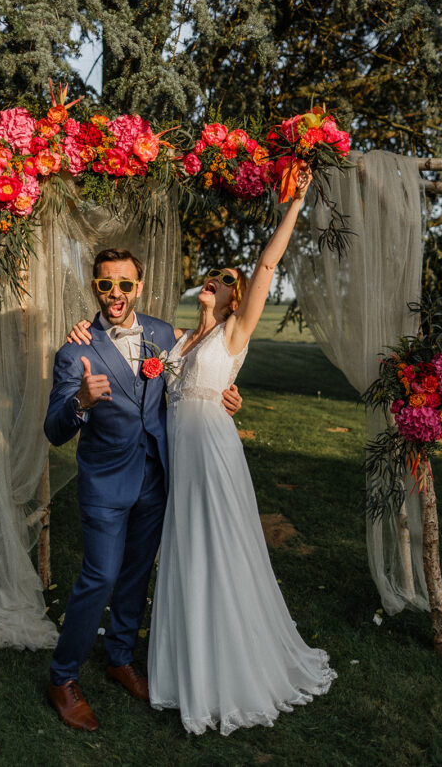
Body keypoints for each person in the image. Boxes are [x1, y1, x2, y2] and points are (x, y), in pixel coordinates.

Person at [68, 171, 337, 735]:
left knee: (222, 549)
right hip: (177, 464)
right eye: (213, 275)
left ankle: (236, 663)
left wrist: (292, 206)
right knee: (186, 555)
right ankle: (186, 662)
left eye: (227, 279)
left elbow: (267, 265)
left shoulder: (235, 331)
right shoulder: (177, 339)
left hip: (212, 454)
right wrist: (81, 334)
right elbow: (152, 378)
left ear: (238, 296)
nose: (216, 279)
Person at [43, 248, 241, 732]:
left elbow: (208, 355)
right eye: (105, 284)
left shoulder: (162, 334)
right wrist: (80, 402)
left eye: (125, 285)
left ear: (140, 287)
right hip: (105, 483)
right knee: (100, 576)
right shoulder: (74, 350)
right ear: (94, 287)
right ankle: (63, 676)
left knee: (135, 575)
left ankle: (119, 657)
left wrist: (229, 395)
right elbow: (54, 430)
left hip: (156, 477)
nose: (115, 294)